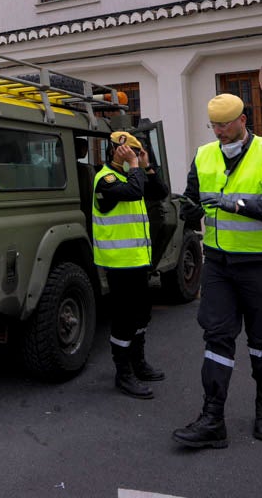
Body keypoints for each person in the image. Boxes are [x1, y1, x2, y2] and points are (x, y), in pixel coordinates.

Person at [172, 93, 262, 448]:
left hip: (259, 265)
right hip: (219, 264)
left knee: (261, 340)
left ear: (243, 120)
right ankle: (213, 419)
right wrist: (188, 210)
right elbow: (193, 198)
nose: (219, 132)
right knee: (216, 337)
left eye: (225, 125)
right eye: (214, 125)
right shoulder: (204, 154)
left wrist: (235, 203)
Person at [93, 130, 170, 399]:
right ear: (115, 151)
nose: (132, 157)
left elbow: (160, 191)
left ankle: (138, 363)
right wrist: (136, 166)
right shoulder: (107, 180)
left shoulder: (130, 176)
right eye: (129, 152)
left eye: (135, 153)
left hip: (138, 261)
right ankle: (123, 374)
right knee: (124, 318)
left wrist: (147, 165)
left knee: (142, 314)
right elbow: (135, 191)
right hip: (118, 262)